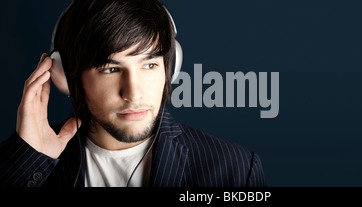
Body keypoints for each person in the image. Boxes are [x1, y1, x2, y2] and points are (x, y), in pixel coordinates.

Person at [0, 0, 266, 187]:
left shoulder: (235, 169)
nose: (134, 93)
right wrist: (29, 159)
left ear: (170, 69)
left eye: (149, 65)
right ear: (68, 78)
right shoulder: (27, 166)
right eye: (110, 69)